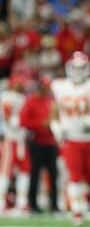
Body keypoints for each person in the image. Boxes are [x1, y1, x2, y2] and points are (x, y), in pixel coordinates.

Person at [49, 52, 90, 225]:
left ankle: (82, 202)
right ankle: (77, 211)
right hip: (71, 138)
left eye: (81, 68)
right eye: (75, 67)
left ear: (88, 68)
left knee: (89, 175)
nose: (77, 71)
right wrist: (55, 125)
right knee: (75, 175)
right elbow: (54, 109)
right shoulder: (59, 86)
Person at [20, 75, 58, 213]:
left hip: (51, 143)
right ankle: (33, 204)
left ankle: (54, 205)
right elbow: (23, 121)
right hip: (37, 143)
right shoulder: (31, 102)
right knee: (34, 174)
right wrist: (40, 125)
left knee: (53, 175)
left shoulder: (51, 101)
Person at [0, 76, 31, 213]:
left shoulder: (23, 98)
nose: (19, 86)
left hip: (21, 139)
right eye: (17, 84)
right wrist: (14, 121)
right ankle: (1, 202)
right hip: (10, 138)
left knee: (25, 170)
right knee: (6, 171)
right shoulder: (8, 96)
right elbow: (7, 115)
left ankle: (22, 202)